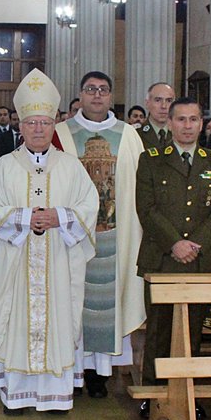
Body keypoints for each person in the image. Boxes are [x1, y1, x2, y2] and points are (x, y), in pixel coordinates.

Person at [0, 69, 98, 414]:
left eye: (45, 123)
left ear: (54, 125)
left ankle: (55, 396)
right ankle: (16, 394)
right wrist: (24, 218)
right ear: (21, 127)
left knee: (58, 319)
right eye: (32, 123)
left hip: (58, 260)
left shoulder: (71, 167)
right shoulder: (4, 166)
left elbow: (89, 206)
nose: (39, 129)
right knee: (14, 320)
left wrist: (59, 216)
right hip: (16, 263)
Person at [134, 98, 211, 420]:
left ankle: (188, 393)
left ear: (202, 124)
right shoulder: (151, 160)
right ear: (170, 123)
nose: (187, 126)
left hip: (200, 261)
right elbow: (146, 209)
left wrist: (196, 243)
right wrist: (175, 242)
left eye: (193, 120)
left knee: (193, 330)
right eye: (181, 120)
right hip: (162, 258)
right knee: (159, 330)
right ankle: (154, 392)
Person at [54, 71, 144, 399]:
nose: (96, 95)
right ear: (79, 94)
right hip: (71, 236)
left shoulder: (129, 135)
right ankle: (71, 369)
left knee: (109, 304)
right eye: (90, 89)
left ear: (110, 96)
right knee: (71, 301)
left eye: (103, 90)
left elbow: (138, 187)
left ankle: (99, 375)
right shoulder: (62, 134)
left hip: (115, 238)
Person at [136, 82, 175, 149]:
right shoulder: (136, 134)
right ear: (147, 103)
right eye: (158, 100)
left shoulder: (181, 133)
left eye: (169, 101)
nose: (163, 106)